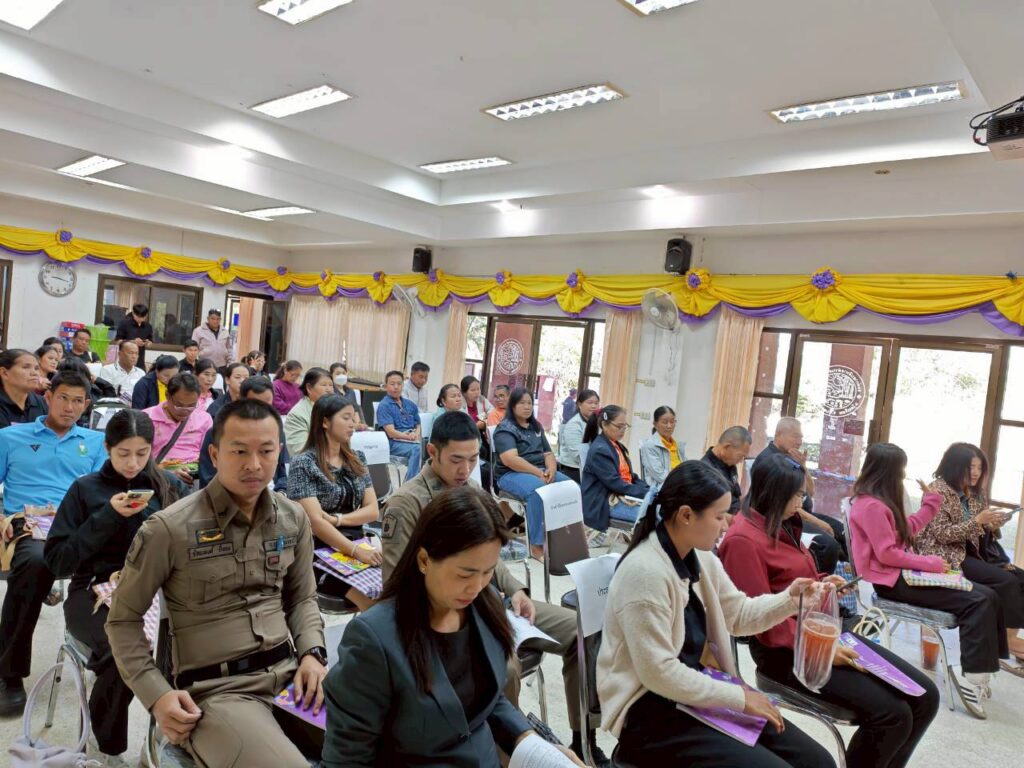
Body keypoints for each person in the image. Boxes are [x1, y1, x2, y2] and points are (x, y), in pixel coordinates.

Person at [106, 399, 328, 767]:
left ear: (279, 452)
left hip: (292, 677)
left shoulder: (293, 519)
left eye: (266, 451)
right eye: (239, 451)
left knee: (388, 743)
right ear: (214, 454)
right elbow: (122, 620)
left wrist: (312, 654)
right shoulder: (169, 529)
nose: (253, 464)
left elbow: (302, 598)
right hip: (219, 693)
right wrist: (156, 695)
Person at [380, 411, 598, 763]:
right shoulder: (407, 504)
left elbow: (492, 560)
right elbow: (396, 585)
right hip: (449, 614)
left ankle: (582, 736)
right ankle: (504, 756)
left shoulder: (473, 493)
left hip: (493, 602)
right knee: (504, 670)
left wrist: (516, 590)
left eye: (472, 459)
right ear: (432, 452)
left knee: (581, 631)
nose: (465, 469)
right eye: (456, 460)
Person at [324, 486, 584, 768]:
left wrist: (532, 744)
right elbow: (348, 758)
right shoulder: (375, 639)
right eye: (464, 574)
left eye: (487, 572)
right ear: (424, 560)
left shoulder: (484, 608)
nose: (477, 587)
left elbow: (488, 700)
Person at [598, 461, 834, 767]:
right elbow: (659, 673)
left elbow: (738, 615)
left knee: (818, 761)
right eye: (719, 517)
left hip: (695, 687)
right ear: (686, 515)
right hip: (651, 711)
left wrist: (791, 600)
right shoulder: (645, 573)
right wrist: (739, 698)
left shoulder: (700, 556)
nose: (726, 526)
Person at [719, 453, 940, 768]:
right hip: (786, 652)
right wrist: (819, 646)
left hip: (820, 632)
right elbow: (759, 620)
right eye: (796, 495)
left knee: (925, 696)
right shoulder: (743, 540)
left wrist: (822, 584)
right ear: (774, 494)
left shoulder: (782, 522)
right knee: (893, 715)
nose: (802, 502)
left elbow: (789, 583)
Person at [43, 410, 186, 764]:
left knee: (194, 644)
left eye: (142, 453)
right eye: (124, 453)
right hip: (93, 590)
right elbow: (58, 560)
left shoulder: (168, 486)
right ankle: (105, 745)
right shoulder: (85, 489)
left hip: (159, 590)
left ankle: (170, 741)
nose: (133, 463)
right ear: (107, 448)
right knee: (121, 649)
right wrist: (107, 516)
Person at [849, 442, 1005, 711]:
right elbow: (886, 554)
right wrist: (930, 563)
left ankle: (981, 670)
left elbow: (905, 532)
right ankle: (971, 676)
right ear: (888, 471)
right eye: (901, 470)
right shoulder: (871, 506)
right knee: (978, 601)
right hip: (893, 582)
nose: (903, 475)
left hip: (902, 575)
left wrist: (930, 503)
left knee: (989, 595)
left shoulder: (880, 501)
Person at [0, 371, 106, 715]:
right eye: (63, 398)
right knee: (34, 563)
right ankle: (9, 673)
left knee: (124, 564)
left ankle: (106, 658)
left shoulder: (95, 442)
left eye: (77, 401)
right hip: (28, 523)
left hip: (78, 524)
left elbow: (104, 492)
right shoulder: (10, 437)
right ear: (48, 397)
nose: (69, 407)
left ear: (86, 405)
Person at [916, 442, 1024, 669]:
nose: (975, 473)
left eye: (979, 467)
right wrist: (977, 522)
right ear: (955, 466)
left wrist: (992, 525)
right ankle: (1008, 642)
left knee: (1020, 578)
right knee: (1006, 581)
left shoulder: (975, 493)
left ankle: (1009, 639)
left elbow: (980, 529)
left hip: (973, 551)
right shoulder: (937, 491)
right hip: (946, 554)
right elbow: (942, 534)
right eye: (970, 467)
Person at [287, 395, 381, 611]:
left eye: (354, 418)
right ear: (325, 422)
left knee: (400, 587)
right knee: (374, 604)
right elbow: (316, 523)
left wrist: (338, 520)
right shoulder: (304, 464)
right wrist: (355, 551)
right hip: (319, 551)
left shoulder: (357, 458)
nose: (353, 423)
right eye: (346, 418)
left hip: (358, 542)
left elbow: (372, 510)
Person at [752, 417, 846, 575]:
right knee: (828, 544)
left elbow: (810, 491)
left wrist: (803, 465)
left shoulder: (790, 457)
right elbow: (781, 504)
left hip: (802, 511)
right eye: (795, 436)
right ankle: (816, 584)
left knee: (841, 531)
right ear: (779, 434)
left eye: (801, 437)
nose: (799, 442)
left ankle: (843, 581)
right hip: (785, 516)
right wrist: (818, 523)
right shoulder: (769, 460)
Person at [493, 388, 570, 560]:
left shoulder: (536, 427)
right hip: (510, 474)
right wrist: (538, 473)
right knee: (538, 492)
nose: (527, 406)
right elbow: (510, 460)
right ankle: (536, 546)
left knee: (571, 487)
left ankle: (564, 537)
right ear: (512, 406)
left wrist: (551, 470)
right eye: (522, 403)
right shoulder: (505, 428)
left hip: (540, 471)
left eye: (529, 403)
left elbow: (548, 454)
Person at [198, 375, 289, 492]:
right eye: (240, 452)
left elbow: (282, 473)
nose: (262, 412)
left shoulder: (276, 432)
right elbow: (208, 478)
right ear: (240, 401)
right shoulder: (219, 432)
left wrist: (281, 492)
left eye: (266, 451)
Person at [580, 405, 649, 537]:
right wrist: (645, 493)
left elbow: (631, 476)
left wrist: (648, 489)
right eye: (619, 426)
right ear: (604, 425)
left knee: (656, 508)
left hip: (619, 494)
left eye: (625, 426)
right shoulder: (600, 450)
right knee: (652, 516)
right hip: (604, 502)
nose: (623, 430)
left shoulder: (618, 446)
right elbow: (616, 484)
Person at [143, 373, 213, 486]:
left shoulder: (204, 419)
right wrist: (168, 473)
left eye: (191, 405)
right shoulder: (147, 418)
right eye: (179, 405)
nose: (185, 410)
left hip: (194, 477)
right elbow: (140, 461)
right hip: (159, 478)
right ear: (167, 395)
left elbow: (209, 456)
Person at [377, 370, 422, 481]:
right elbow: (391, 433)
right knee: (417, 449)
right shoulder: (384, 406)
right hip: (393, 442)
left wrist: (416, 434)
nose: (396, 387)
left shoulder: (410, 404)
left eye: (399, 384)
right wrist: (408, 437)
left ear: (403, 385)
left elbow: (418, 424)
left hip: (410, 439)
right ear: (386, 386)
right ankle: (410, 484)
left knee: (432, 447)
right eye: (392, 384)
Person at [701, 425, 752, 520]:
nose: (741, 460)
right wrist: (738, 521)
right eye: (740, 456)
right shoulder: (705, 471)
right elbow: (711, 513)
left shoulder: (730, 464)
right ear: (726, 447)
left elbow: (736, 497)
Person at [283, 367, 335, 456]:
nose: (329, 390)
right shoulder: (297, 415)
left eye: (331, 385)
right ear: (309, 388)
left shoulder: (334, 409)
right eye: (324, 385)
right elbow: (300, 452)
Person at [557, 389, 599, 483]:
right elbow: (577, 456)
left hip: (590, 467)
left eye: (596, 403)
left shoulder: (596, 422)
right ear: (579, 404)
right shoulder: (574, 424)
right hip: (573, 470)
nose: (594, 406)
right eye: (590, 402)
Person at [639, 405, 684, 488]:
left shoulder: (678, 445)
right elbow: (661, 476)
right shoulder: (649, 445)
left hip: (680, 484)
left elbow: (686, 468)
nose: (669, 426)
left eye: (672, 422)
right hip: (661, 488)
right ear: (655, 424)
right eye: (665, 422)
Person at [0, 348, 47, 428]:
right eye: (26, 367)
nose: (34, 373)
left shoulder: (41, 402)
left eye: (36, 368)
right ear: (4, 373)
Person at [113, 303, 153, 369]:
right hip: (125, 360)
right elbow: (117, 342)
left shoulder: (148, 326)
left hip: (140, 361)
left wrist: (148, 343)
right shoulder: (124, 324)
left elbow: (150, 341)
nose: (141, 319)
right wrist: (133, 342)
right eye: (139, 317)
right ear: (134, 313)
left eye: (143, 317)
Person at [330, 362, 367, 430]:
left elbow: (356, 409)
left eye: (343, 373)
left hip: (353, 425)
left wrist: (358, 424)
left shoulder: (351, 392)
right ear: (331, 375)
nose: (341, 376)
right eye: (338, 374)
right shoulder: (330, 392)